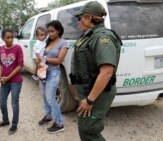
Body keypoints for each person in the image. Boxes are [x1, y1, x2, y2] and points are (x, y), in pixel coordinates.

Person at [71, 1, 122, 141]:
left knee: (89, 130)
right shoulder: (90, 35)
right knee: (85, 128)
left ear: (88, 18)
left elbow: (106, 73)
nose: (78, 22)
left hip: (96, 93)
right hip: (89, 91)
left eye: (80, 18)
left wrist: (89, 100)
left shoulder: (102, 38)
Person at [38, 20, 68, 134]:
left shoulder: (63, 43)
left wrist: (44, 59)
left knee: (51, 98)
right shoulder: (47, 42)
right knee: (44, 96)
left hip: (53, 73)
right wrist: (39, 61)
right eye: (48, 31)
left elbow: (59, 60)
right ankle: (48, 116)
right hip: (43, 72)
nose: (50, 34)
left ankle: (59, 123)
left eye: (52, 31)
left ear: (59, 31)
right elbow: (41, 55)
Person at [0, 28, 24, 135]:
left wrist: (8, 78)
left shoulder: (18, 48)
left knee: (14, 104)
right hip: (4, 81)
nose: (11, 39)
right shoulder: (2, 48)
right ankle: (5, 120)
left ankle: (14, 125)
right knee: (1, 103)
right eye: (8, 37)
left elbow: (20, 66)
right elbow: (2, 64)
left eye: (12, 37)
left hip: (15, 81)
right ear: (2, 38)